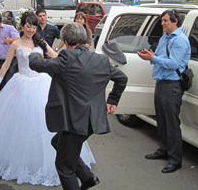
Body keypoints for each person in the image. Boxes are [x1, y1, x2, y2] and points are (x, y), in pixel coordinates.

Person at [0, 12, 95, 186]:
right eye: (28, 26)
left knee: (44, 124)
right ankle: (20, 158)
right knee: (20, 124)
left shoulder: (41, 43)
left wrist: (75, 65)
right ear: (22, 26)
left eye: (34, 26)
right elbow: (6, 65)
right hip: (20, 84)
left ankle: (48, 159)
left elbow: (56, 56)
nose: (31, 30)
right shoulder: (15, 44)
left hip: (41, 83)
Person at [29, 22, 128, 190]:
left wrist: (36, 51)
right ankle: (87, 177)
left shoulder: (66, 58)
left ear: (66, 42)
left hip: (73, 121)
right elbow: (122, 78)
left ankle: (87, 178)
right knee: (57, 142)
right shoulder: (101, 60)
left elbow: (36, 65)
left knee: (64, 166)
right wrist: (113, 100)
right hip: (92, 121)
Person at [137, 9, 191, 173]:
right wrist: (151, 55)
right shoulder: (165, 37)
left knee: (172, 123)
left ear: (175, 22)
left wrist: (152, 58)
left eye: (165, 20)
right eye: (162, 20)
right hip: (161, 82)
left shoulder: (180, 40)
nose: (162, 23)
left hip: (172, 84)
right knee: (161, 119)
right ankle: (163, 149)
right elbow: (161, 58)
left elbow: (173, 63)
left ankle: (175, 159)